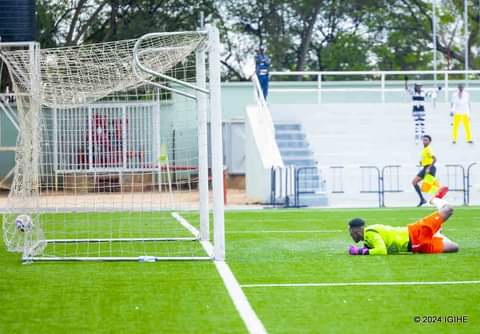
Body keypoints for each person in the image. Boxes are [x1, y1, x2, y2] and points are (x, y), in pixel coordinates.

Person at [348, 193, 458, 255]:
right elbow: (372, 248)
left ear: (357, 230)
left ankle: (435, 199)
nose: (350, 235)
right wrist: (362, 250)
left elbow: (382, 251)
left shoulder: (369, 232)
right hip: (416, 247)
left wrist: (358, 251)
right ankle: (437, 233)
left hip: (415, 232)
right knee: (454, 248)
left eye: (351, 232)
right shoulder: (367, 240)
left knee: (448, 210)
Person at [405, 79, 438, 144]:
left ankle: (423, 137)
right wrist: (406, 82)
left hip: (422, 109)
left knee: (422, 124)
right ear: (415, 86)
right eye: (417, 86)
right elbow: (407, 88)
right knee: (417, 124)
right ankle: (417, 137)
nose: (419, 87)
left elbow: (431, 95)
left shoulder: (423, 92)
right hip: (415, 109)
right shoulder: (413, 92)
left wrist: (436, 93)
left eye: (420, 86)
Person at [412, 135, 439, 207]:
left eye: (426, 140)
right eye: (423, 140)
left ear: (430, 141)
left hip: (430, 168)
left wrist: (429, 167)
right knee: (414, 182)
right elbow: (427, 158)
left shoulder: (428, 149)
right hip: (425, 168)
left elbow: (435, 159)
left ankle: (436, 199)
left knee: (431, 187)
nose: (424, 141)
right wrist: (422, 162)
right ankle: (422, 200)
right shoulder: (424, 149)